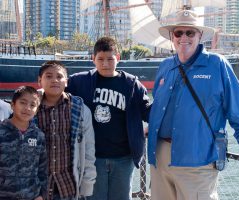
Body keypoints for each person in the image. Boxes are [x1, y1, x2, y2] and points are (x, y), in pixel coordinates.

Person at [147, 9, 239, 200]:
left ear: (200, 36)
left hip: (197, 158)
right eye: (179, 33)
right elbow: (159, 105)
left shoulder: (217, 64)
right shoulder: (166, 66)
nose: (184, 38)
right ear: (172, 37)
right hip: (160, 158)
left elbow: (238, 108)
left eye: (190, 33)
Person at [66, 36, 151, 200]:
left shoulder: (132, 85)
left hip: (123, 157)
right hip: (92, 158)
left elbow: (148, 112)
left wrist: (164, 96)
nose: (105, 64)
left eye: (110, 59)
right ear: (93, 59)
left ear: (118, 58)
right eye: (100, 59)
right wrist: (40, 94)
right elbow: (59, 96)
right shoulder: (79, 82)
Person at [35, 61, 96, 200]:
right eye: (48, 76)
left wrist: (87, 183)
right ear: (40, 80)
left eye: (59, 76)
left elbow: (88, 149)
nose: (55, 80)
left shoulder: (79, 110)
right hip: (37, 187)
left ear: (66, 82)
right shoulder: (30, 109)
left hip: (68, 186)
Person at [0, 86, 47, 200]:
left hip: (31, 195)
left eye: (32, 105)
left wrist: (41, 195)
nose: (27, 108)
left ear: (36, 110)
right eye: (23, 103)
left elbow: (43, 168)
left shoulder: (38, 135)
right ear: (12, 105)